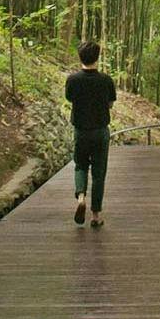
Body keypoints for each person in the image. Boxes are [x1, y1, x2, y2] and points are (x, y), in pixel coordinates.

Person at [64, 40, 117, 227]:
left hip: (81, 131)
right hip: (100, 131)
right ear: (97, 57)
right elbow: (110, 103)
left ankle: (80, 196)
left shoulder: (73, 80)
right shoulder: (106, 80)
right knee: (99, 173)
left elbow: (70, 98)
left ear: (80, 57)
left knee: (80, 166)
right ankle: (95, 215)